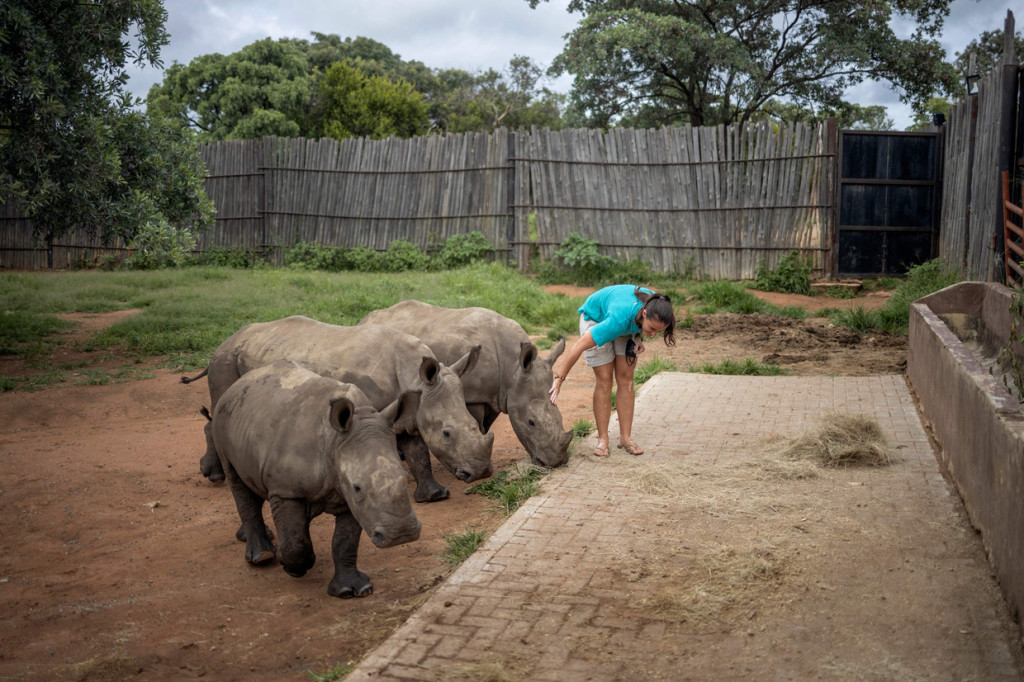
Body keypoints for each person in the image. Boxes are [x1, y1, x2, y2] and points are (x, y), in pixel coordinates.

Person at [548, 285, 676, 457]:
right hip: (597, 318)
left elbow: (641, 323)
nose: (653, 334)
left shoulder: (658, 304)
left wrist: (639, 336)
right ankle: (603, 440)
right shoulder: (617, 320)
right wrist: (559, 379)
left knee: (626, 379)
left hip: (626, 321)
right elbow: (579, 346)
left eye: (658, 332)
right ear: (644, 313)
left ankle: (625, 438)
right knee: (605, 380)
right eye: (651, 329)